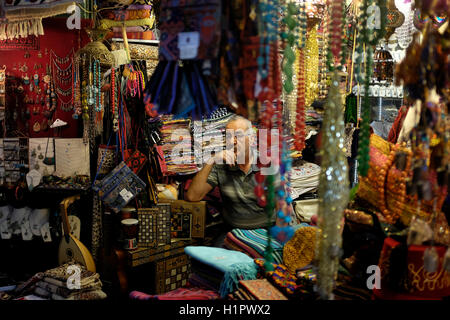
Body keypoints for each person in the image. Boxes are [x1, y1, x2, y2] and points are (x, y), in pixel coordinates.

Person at [186, 115, 274, 244]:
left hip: (265, 232)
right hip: (232, 233)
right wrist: (211, 161)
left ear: (251, 139)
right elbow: (193, 196)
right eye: (228, 136)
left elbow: (283, 206)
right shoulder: (221, 165)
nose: (231, 141)